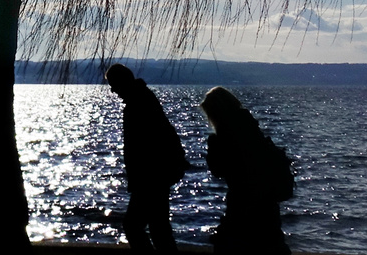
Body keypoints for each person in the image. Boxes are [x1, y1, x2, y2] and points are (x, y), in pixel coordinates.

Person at [200, 86, 294, 255]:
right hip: (267, 204)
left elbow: (218, 169)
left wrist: (213, 145)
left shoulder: (224, 136)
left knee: (231, 243)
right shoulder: (252, 130)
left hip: (242, 205)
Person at [106, 63, 188, 253]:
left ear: (121, 83)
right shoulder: (144, 98)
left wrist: (138, 178)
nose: (113, 90)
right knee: (158, 227)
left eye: (113, 84)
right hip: (156, 175)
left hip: (149, 177)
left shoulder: (137, 103)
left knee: (135, 226)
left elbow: (141, 147)